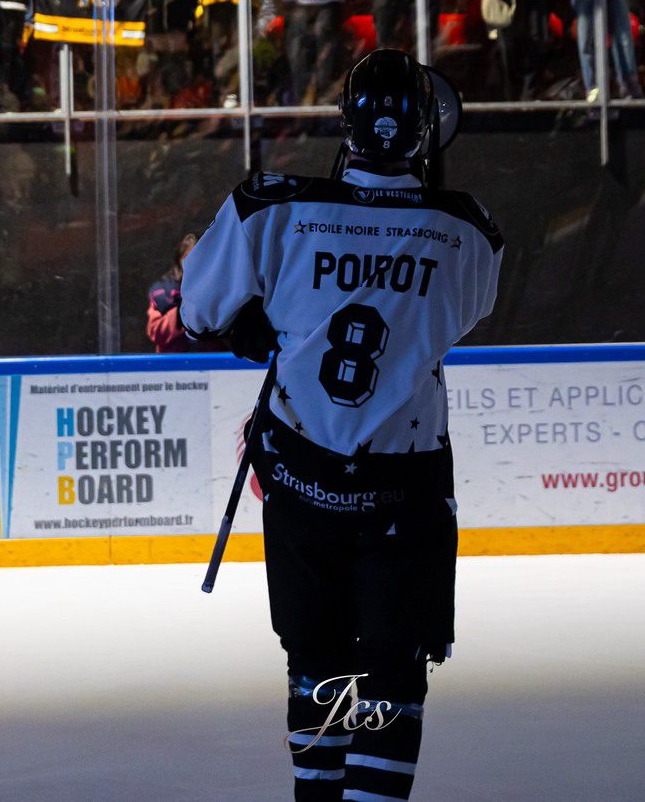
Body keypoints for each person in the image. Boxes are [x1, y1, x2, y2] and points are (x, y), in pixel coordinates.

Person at [179, 47, 501, 802]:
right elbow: (460, 314)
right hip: (404, 488)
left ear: (346, 126)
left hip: (300, 481)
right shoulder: (467, 230)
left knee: (315, 661)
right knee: (392, 671)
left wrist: (256, 324)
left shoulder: (270, 207)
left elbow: (196, 313)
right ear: (427, 130)